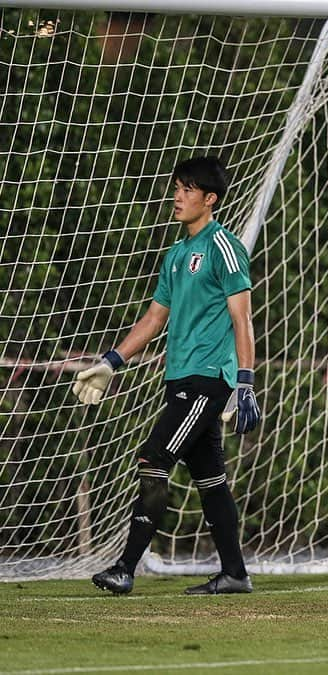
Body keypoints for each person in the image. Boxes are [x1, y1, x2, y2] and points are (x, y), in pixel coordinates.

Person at [73, 155, 261, 595]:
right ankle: (234, 573)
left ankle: (124, 568)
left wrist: (245, 382)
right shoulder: (176, 255)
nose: (177, 195)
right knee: (211, 479)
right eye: (176, 186)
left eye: (187, 189)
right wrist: (109, 362)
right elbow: (154, 319)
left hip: (207, 380)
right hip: (179, 380)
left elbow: (243, 319)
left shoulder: (224, 246)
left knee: (154, 458)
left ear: (209, 199)